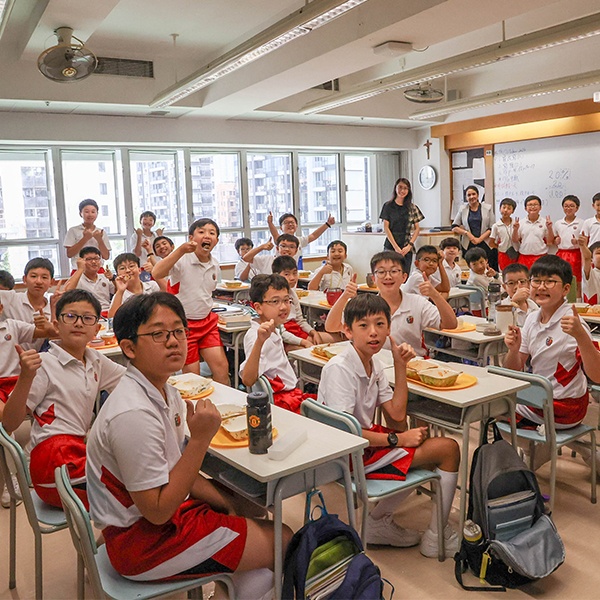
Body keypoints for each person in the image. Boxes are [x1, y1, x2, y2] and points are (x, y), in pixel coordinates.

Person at [86, 293, 288, 596]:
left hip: (155, 519)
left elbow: (176, 469)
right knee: (283, 538)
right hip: (142, 543)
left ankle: (233, 584)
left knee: (251, 506)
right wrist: (200, 440)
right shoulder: (133, 414)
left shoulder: (165, 392)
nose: (173, 341)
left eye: (179, 331)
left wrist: (227, 504)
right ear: (129, 348)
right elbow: (158, 512)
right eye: (158, 334)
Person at [318, 294, 460, 557]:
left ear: (389, 328)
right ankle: (435, 536)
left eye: (380, 324)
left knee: (430, 450)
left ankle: (378, 522)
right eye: (363, 326)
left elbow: (396, 415)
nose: (373, 332)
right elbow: (344, 434)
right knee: (448, 449)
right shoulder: (340, 368)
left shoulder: (374, 363)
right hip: (345, 455)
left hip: (361, 446)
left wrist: (400, 365)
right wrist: (398, 440)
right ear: (347, 330)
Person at [1, 289, 125, 508]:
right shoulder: (44, 364)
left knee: (137, 476)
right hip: (52, 463)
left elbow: (130, 380)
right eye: (70, 316)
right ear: (56, 326)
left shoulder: (95, 360)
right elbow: (9, 423)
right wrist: (26, 378)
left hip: (76, 454)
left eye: (87, 318)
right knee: (135, 491)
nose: (78, 323)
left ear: (96, 329)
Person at [504, 256, 600, 453]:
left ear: (566, 289)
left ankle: (536, 455)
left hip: (566, 407)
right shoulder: (532, 318)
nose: (541, 287)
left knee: (493, 408)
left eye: (549, 281)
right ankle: (540, 452)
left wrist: (581, 336)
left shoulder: (573, 323)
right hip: (540, 399)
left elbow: (597, 376)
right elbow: (513, 369)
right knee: (493, 402)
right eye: (536, 281)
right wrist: (513, 350)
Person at [325, 251, 457, 356]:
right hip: (376, 365)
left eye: (394, 271)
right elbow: (331, 326)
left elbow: (450, 324)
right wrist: (344, 296)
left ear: (404, 277)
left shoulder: (417, 302)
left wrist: (435, 295)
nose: (388, 277)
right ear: (373, 278)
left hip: (411, 365)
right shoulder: (365, 305)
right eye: (381, 272)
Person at [151, 218, 230, 385]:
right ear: (191, 238)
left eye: (211, 233)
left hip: (207, 322)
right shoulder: (182, 259)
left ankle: (225, 402)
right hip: (184, 326)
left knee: (222, 368)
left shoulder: (214, 264)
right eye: (201, 232)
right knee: (193, 377)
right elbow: (157, 273)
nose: (207, 235)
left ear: (216, 240)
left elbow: (206, 293)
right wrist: (180, 250)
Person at [0, 301, 56, 508]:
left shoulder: (11, 326)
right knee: (5, 422)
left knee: (50, 409)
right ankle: (11, 479)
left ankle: (30, 458)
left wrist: (48, 323)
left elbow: (49, 332)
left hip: (19, 380)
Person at [241, 274, 316, 413]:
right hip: (283, 403)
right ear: (258, 307)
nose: (283, 307)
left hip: (290, 396)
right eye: (275, 301)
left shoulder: (273, 327)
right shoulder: (256, 336)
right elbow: (248, 380)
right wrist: (259, 342)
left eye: (286, 300)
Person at [272, 255, 338, 349]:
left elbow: (300, 320)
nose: (292, 278)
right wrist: (304, 342)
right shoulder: (273, 297)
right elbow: (281, 332)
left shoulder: (292, 293)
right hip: (285, 336)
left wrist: (313, 332)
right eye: (287, 274)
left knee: (338, 339)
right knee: (311, 349)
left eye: (295, 273)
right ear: (276, 275)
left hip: (297, 329)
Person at [0, 258, 54, 350]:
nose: (39, 281)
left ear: (51, 282)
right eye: (33, 276)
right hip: (12, 357)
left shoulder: (52, 308)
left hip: (42, 357)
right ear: (24, 279)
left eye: (44, 277)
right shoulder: (11, 298)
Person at [379, 178, 424, 272]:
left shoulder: (412, 207)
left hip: (406, 246)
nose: (402, 191)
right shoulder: (388, 206)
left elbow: (417, 229)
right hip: (391, 246)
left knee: (404, 274)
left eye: (405, 188)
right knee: (389, 273)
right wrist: (396, 247)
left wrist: (409, 245)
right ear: (395, 188)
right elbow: (386, 227)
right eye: (400, 187)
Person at [452, 185, 495, 270]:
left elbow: (492, 227)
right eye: (469, 195)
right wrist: (467, 233)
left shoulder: (488, 208)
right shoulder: (462, 209)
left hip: (485, 243)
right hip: (468, 243)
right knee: (472, 268)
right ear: (466, 197)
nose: (471, 197)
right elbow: (454, 226)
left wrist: (479, 239)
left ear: (478, 195)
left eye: (473, 194)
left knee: (487, 268)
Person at [268, 212, 335, 264]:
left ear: (296, 226)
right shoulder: (280, 240)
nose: (290, 224)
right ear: (281, 228)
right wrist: (270, 223)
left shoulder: (299, 240)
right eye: (286, 223)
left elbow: (314, 236)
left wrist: (327, 224)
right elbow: (274, 233)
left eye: (292, 222)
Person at [108, 253, 161, 318]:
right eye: (122, 268)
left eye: (131, 266)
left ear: (139, 270)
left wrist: (154, 272)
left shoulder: (152, 286)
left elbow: (168, 295)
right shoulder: (119, 295)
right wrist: (120, 291)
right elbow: (111, 318)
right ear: (117, 274)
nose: (128, 270)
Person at [64, 199, 111, 271]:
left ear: (97, 214)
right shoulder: (73, 230)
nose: (90, 214)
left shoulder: (101, 232)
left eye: (93, 212)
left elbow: (106, 256)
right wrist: (85, 238)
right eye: (86, 212)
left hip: (98, 269)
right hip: (79, 270)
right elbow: (69, 254)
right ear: (80, 213)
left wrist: (99, 240)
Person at [64, 246, 114, 313]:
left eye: (96, 258)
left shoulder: (105, 277)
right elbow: (66, 292)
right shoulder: (77, 278)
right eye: (89, 259)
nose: (93, 262)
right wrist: (80, 269)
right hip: (87, 313)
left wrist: (113, 279)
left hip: (107, 311)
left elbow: (117, 292)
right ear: (81, 261)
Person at [552, 195, 583, 297]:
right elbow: (553, 240)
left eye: (571, 206)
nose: (568, 208)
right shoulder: (558, 223)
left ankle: (577, 301)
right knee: (560, 279)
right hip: (561, 254)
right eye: (566, 206)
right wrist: (556, 241)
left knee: (577, 281)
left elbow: (585, 240)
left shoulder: (582, 223)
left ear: (577, 208)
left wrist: (577, 241)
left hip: (576, 255)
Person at [512, 195, 553, 270]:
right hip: (524, 257)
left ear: (540, 207)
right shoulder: (520, 223)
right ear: (525, 208)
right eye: (530, 205)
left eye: (535, 204)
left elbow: (550, 241)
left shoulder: (545, 222)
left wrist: (549, 228)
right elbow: (515, 240)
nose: (533, 207)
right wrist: (515, 229)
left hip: (541, 257)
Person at [465, 247, 498, 316]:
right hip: (480, 308)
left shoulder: (486, 271)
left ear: (486, 261)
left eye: (481, 262)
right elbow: (494, 289)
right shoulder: (475, 278)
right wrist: (496, 277)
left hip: (487, 304)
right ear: (469, 266)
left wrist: (495, 275)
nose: (479, 266)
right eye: (474, 264)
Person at [489, 197, 519, 271]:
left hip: (516, 253)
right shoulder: (496, 226)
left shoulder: (516, 224)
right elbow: (491, 243)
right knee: (504, 273)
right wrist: (500, 247)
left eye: (509, 208)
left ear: (513, 211)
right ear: (500, 209)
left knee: (515, 272)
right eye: (504, 207)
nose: (505, 210)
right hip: (503, 254)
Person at [580, 241, 600, 305]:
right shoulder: (591, 274)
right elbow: (586, 259)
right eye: (599, 253)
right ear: (592, 259)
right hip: (592, 310)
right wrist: (583, 246)